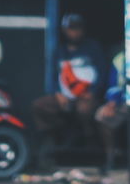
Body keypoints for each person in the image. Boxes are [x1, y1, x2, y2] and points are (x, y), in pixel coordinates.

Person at [31, 13, 107, 165]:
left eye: (78, 29)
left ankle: (90, 146)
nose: (75, 32)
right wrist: (57, 93)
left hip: (86, 96)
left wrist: (92, 92)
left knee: (84, 111)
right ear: (65, 31)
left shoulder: (92, 48)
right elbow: (53, 75)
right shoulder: (60, 51)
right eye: (71, 29)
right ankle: (54, 142)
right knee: (39, 106)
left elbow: (103, 73)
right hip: (65, 97)